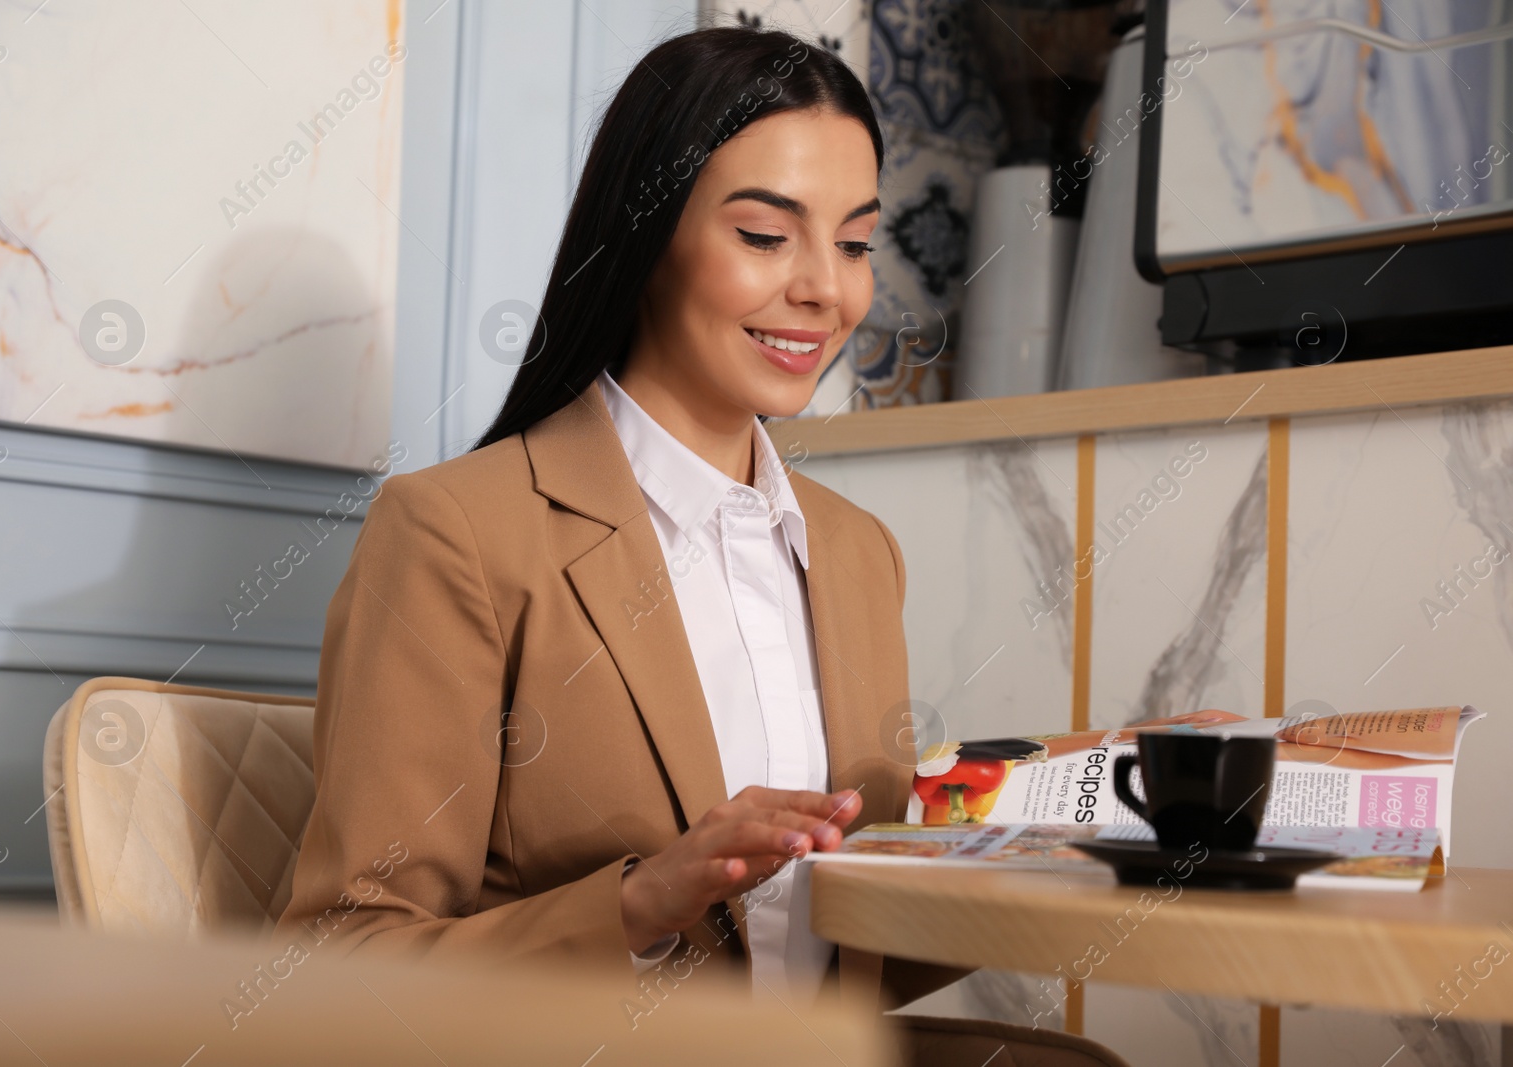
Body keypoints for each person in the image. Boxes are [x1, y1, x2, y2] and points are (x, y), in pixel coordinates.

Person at [276, 25, 1175, 1065]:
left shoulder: (855, 550)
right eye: (763, 235)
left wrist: (1102, 814)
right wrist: (643, 900)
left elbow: (834, 946)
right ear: (648, 234)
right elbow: (341, 962)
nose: (824, 292)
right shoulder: (456, 535)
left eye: (852, 243)